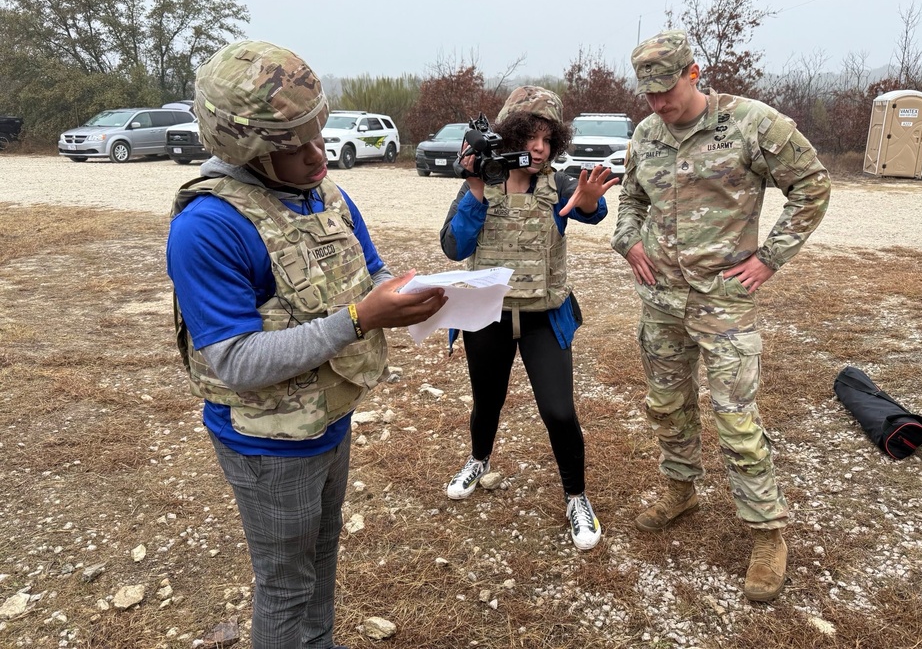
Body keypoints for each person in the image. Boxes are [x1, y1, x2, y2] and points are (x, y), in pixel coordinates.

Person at [166, 40, 446, 649]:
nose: (318, 156)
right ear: (247, 149)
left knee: (321, 563)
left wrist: (419, 295)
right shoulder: (209, 225)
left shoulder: (325, 194)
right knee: (286, 585)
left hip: (328, 418)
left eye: (317, 134)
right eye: (292, 148)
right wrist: (359, 318)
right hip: (266, 443)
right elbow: (233, 361)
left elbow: (369, 272)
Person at [612, 30, 831, 602]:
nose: (660, 104)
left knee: (735, 416)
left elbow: (812, 188)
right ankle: (680, 489)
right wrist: (628, 240)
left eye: (668, 91)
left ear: (694, 72)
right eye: (649, 94)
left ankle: (766, 532)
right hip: (661, 300)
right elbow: (632, 197)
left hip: (723, 301)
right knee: (667, 403)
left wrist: (770, 258)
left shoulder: (753, 125)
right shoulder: (646, 134)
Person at [439, 86, 619, 551]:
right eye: (528, 136)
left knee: (559, 411)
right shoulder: (480, 183)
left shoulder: (559, 185)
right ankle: (478, 460)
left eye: (547, 139)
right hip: (488, 318)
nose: (538, 148)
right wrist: (476, 190)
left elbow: (592, 211)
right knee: (487, 402)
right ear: (509, 136)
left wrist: (585, 203)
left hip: (544, 319)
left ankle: (576, 496)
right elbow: (454, 247)